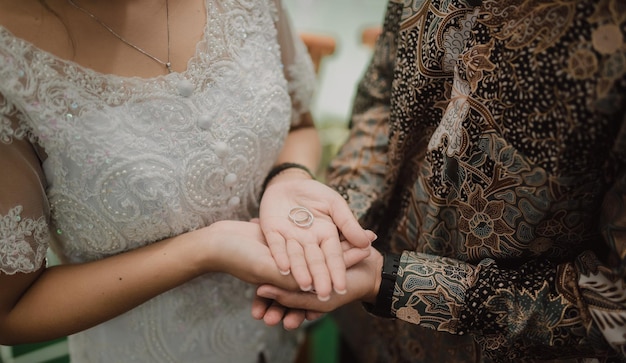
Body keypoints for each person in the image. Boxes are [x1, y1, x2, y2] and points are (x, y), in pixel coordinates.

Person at [0, 0, 375, 362]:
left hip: (280, 336)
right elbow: (11, 310)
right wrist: (203, 251)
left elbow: (299, 124)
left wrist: (287, 176)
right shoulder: (10, 63)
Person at [253, 0, 626, 361]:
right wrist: (339, 222)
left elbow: (617, 305)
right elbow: (383, 97)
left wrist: (394, 283)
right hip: (361, 322)